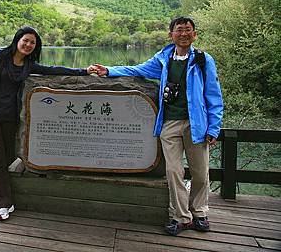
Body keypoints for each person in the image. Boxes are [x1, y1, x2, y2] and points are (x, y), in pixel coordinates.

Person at [89, 16, 223, 236]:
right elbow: (137, 70)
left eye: (188, 30)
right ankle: (181, 216)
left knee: (200, 172)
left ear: (194, 34)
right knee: (173, 171)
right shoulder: (162, 60)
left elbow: (214, 95)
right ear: (171, 34)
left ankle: (199, 211)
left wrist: (214, 127)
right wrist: (109, 71)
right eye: (179, 30)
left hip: (196, 124)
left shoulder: (203, 60)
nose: (184, 34)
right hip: (169, 123)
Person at [0, 26, 91, 221]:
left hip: (10, 117)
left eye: (32, 43)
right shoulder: (0, 57)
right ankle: (0, 204)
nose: (28, 45)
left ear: (35, 46)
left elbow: (53, 70)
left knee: (8, 157)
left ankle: (3, 200)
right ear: (17, 40)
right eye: (25, 40)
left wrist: (83, 71)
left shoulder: (29, 65)